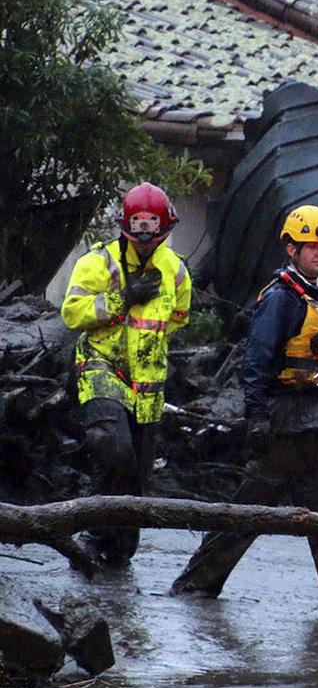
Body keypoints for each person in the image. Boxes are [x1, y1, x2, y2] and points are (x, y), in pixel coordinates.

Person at [170, 205, 318, 607]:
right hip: (284, 426)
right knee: (247, 516)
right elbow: (257, 362)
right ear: (291, 249)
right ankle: (193, 588)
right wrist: (257, 418)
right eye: (311, 246)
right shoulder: (281, 299)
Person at [61, 182, 190, 568]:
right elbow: (73, 313)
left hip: (147, 383)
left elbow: (178, 319)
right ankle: (89, 534)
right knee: (112, 447)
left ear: (164, 227)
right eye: (140, 226)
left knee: (135, 472)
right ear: (126, 227)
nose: (147, 235)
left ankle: (117, 552)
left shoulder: (176, 271)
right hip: (100, 367)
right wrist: (124, 298)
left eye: (153, 226)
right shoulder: (98, 262)